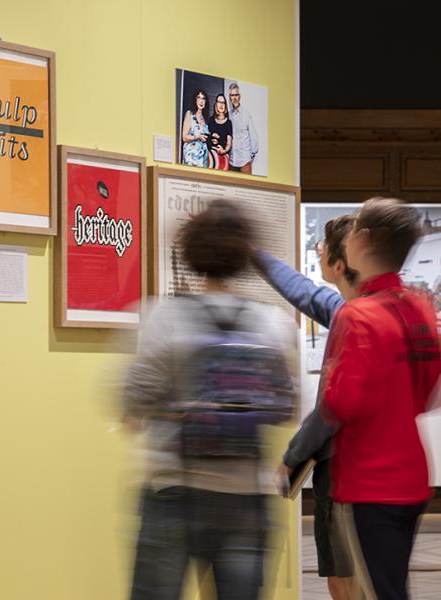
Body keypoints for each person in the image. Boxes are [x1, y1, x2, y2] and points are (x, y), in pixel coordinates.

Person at [123, 200, 296, 600]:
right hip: (247, 496)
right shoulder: (272, 323)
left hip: (173, 489)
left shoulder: (162, 318)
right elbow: (287, 407)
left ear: (190, 253)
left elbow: (134, 400)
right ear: (246, 256)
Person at [321, 197, 441, 600]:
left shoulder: (356, 315)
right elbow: (428, 390)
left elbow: (341, 403)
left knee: (378, 591)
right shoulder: (421, 309)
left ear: (365, 241)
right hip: (412, 472)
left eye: (354, 231)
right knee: (391, 586)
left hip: (369, 479)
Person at [255, 215, 359, 600]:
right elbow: (302, 290)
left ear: (339, 263)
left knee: (342, 574)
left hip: (345, 469)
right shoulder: (356, 310)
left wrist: (293, 455)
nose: (317, 250)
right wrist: (255, 255)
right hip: (383, 465)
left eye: (324, 247)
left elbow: (335, 406)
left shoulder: (352, 319)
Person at [227, 83, 259, 174]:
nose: (234, 98)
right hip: (232, 161)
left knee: (247, 187)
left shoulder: (246, 114)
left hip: (245, 161)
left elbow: (254, 136)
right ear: (230, 97)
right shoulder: (228, 116)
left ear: (239, 96)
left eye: (236, 95)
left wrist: (251, 154)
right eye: (232, 95)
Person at [181, 89, 210, 168]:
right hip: (192, 157)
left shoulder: (205, 118)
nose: (201, 101)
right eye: (199, 98)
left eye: (203, 98)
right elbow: (184, 137)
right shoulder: (190, 114)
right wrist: (198, 137)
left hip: (203, 157)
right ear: (195, 100)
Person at [207, 94, 232, 170]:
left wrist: (224, 151)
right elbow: (208, 138)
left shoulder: (228, 122)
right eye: (219, 102)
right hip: (210, 157)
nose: (221, 105)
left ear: (226, 105)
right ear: (216, 105)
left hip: (223, 157)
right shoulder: (211, 120)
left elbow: (229, 143)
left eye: (223, 102)